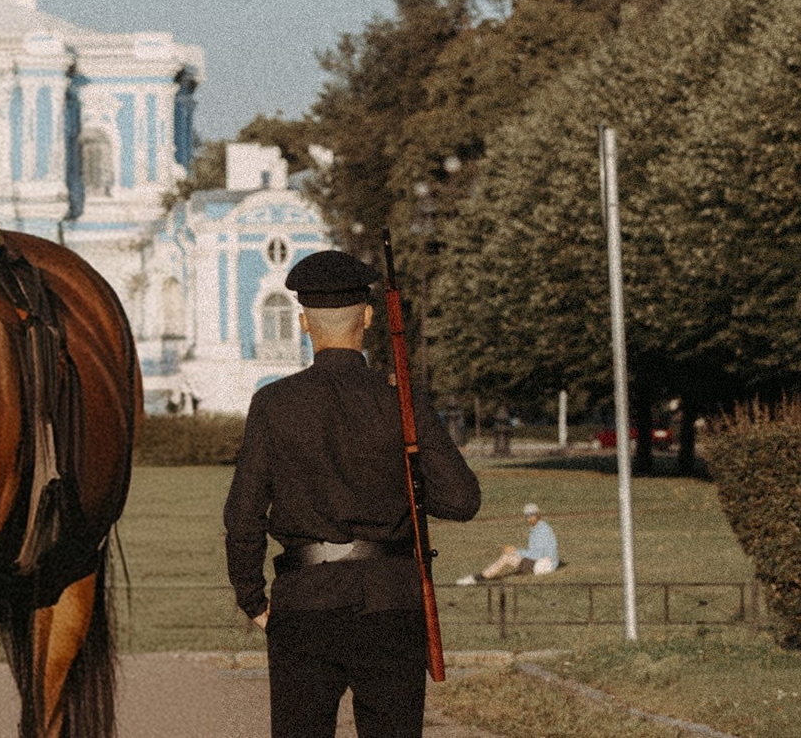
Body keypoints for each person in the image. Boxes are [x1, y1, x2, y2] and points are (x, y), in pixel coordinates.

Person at [224, 249, 482, 738]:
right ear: (366, 318)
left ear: (303, 322)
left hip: (304, 601)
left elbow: (243, 514)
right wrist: (406, 482)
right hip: (391, 599)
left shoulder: (274, 404)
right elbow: (462, 501)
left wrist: (253, 600)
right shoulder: (398, 399)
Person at [464, 501, 558, 583]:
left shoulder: (542, 530)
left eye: (532, 514)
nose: (529, 517)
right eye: (527, 515)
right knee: (510, 556)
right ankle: (482, 576)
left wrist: (516, 550)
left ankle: (480, 577)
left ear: (538, 514)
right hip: (545, 563)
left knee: (507, 557)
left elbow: (537, 554)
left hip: (544, 566)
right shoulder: (540, 527)